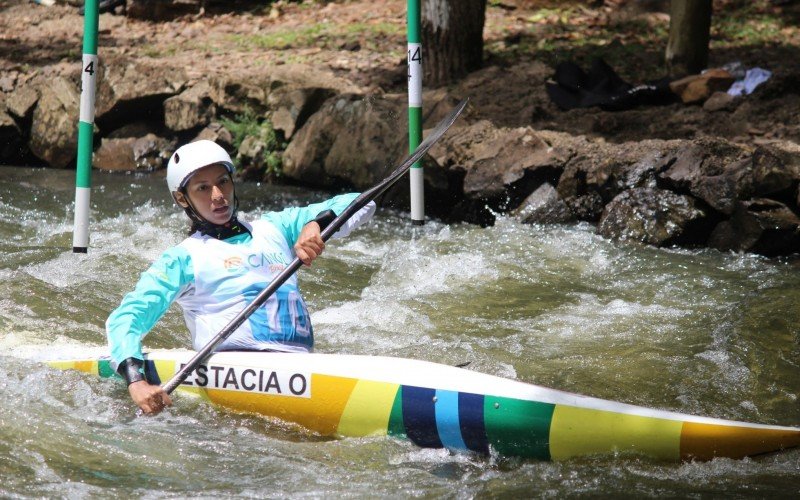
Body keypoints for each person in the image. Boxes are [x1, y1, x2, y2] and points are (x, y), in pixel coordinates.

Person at [106, 140, 375, 415]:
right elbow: (128, 317)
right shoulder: (183, 259)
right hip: (236, 374)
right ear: (182, 199)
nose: (218, 195)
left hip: (299, 365)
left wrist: (316, 223)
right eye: (202, 188)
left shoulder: (276, 228)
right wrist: (135, 381)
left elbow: (363, 203)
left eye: (223, 181)